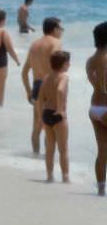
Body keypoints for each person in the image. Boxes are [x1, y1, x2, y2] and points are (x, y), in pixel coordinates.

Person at [22, 17, 64, 154]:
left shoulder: (34, 45)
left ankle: (35, 156)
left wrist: (29, 92)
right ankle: (48, 159)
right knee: (51, 128)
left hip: (37, 86)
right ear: (54, 29)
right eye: (61, 29)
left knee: (37, 127)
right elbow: (55, 68)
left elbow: (24, 72)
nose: (62, 32)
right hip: (49, 86)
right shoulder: (56, 43)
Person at [39, 51, 70, 183]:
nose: (69, 65)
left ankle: (50, 176)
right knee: (63, 149)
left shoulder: (47, 77)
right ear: (64, 64)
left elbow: (40, 98)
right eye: (68, 62)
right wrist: (60, 109)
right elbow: (60, 90)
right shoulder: (64, 77)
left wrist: (40, 115)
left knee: (50, 148)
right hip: (58, 115)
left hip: (46, 113)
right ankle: (65, 177)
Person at [86, 22, 107, 196]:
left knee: (102, 151)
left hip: (95, 107)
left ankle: (101, 188)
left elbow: (98, 84)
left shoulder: (90, 60)